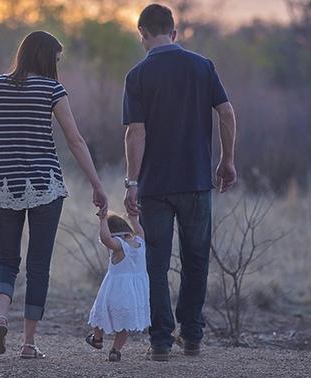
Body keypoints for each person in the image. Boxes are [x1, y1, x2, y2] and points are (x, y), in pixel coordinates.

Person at [0, 30, 109, 359]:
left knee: (6, 260)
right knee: (38, 266)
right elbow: (75, 141)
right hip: (45, 185)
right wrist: (97, 184)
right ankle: (29, 343)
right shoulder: (52, 89)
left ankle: (1, 316)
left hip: (2, 184)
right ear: (46, 57)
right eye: (56, 59)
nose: (57, 65)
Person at [121, 4, 238, 361]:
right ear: (174, 32)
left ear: (142, 33)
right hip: (197, 182)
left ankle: (160, 342)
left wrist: (131, 181)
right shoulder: (202, 67)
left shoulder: (137, 75)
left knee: (156, 263)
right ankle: (192, 336)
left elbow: (135, 133)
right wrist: (227, 160)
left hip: (155, 186)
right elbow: (227, 112)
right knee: (196, 259)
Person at [84, 210, 150, 362]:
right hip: (134, 293)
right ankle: (115, 350)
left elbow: (106, 239)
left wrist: (102, 220)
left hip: (115, 290)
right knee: (124, 324)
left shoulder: (119, 246)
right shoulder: (140, 241)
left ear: (114, 234)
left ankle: (97, 339)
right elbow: (139, 230)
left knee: (100, 314)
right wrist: (133, 218)